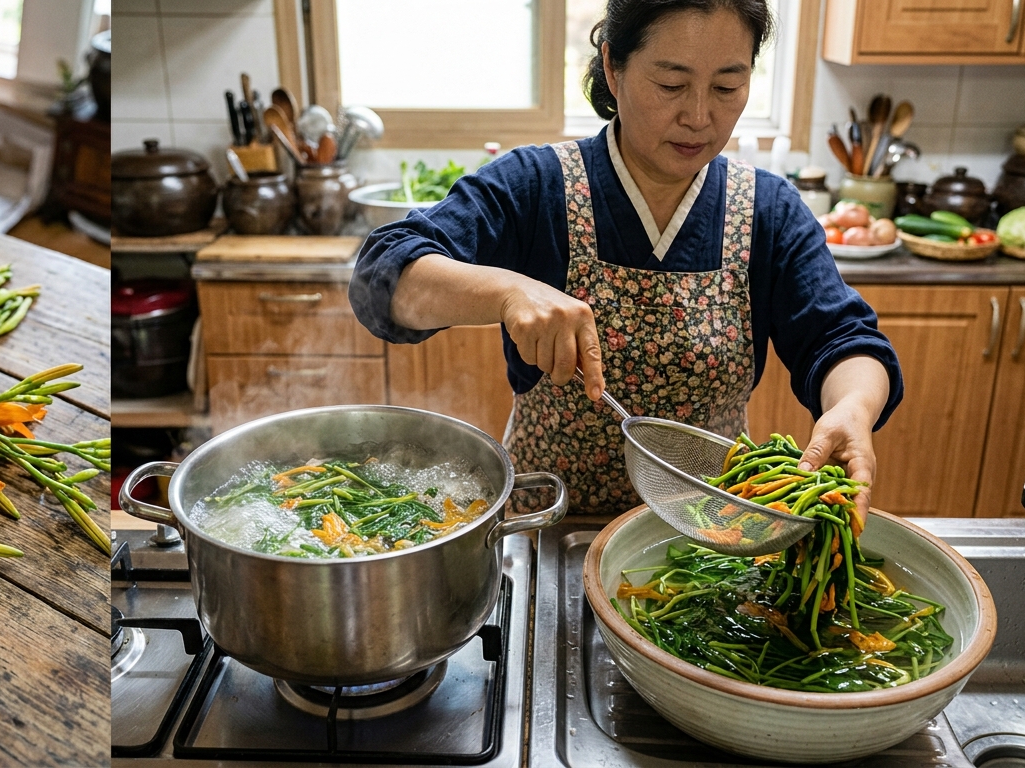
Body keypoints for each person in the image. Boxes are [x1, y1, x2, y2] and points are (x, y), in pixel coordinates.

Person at [350, 0, 901, 521]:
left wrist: (852, 405)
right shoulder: (536, 187)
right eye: (671, 84)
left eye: (728, 86)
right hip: (549, 527)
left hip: (703, 538)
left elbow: (842, 339)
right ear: (613, 66)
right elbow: (382, 275)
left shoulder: (767, 211)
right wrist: (508, 291)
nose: (700, 116)